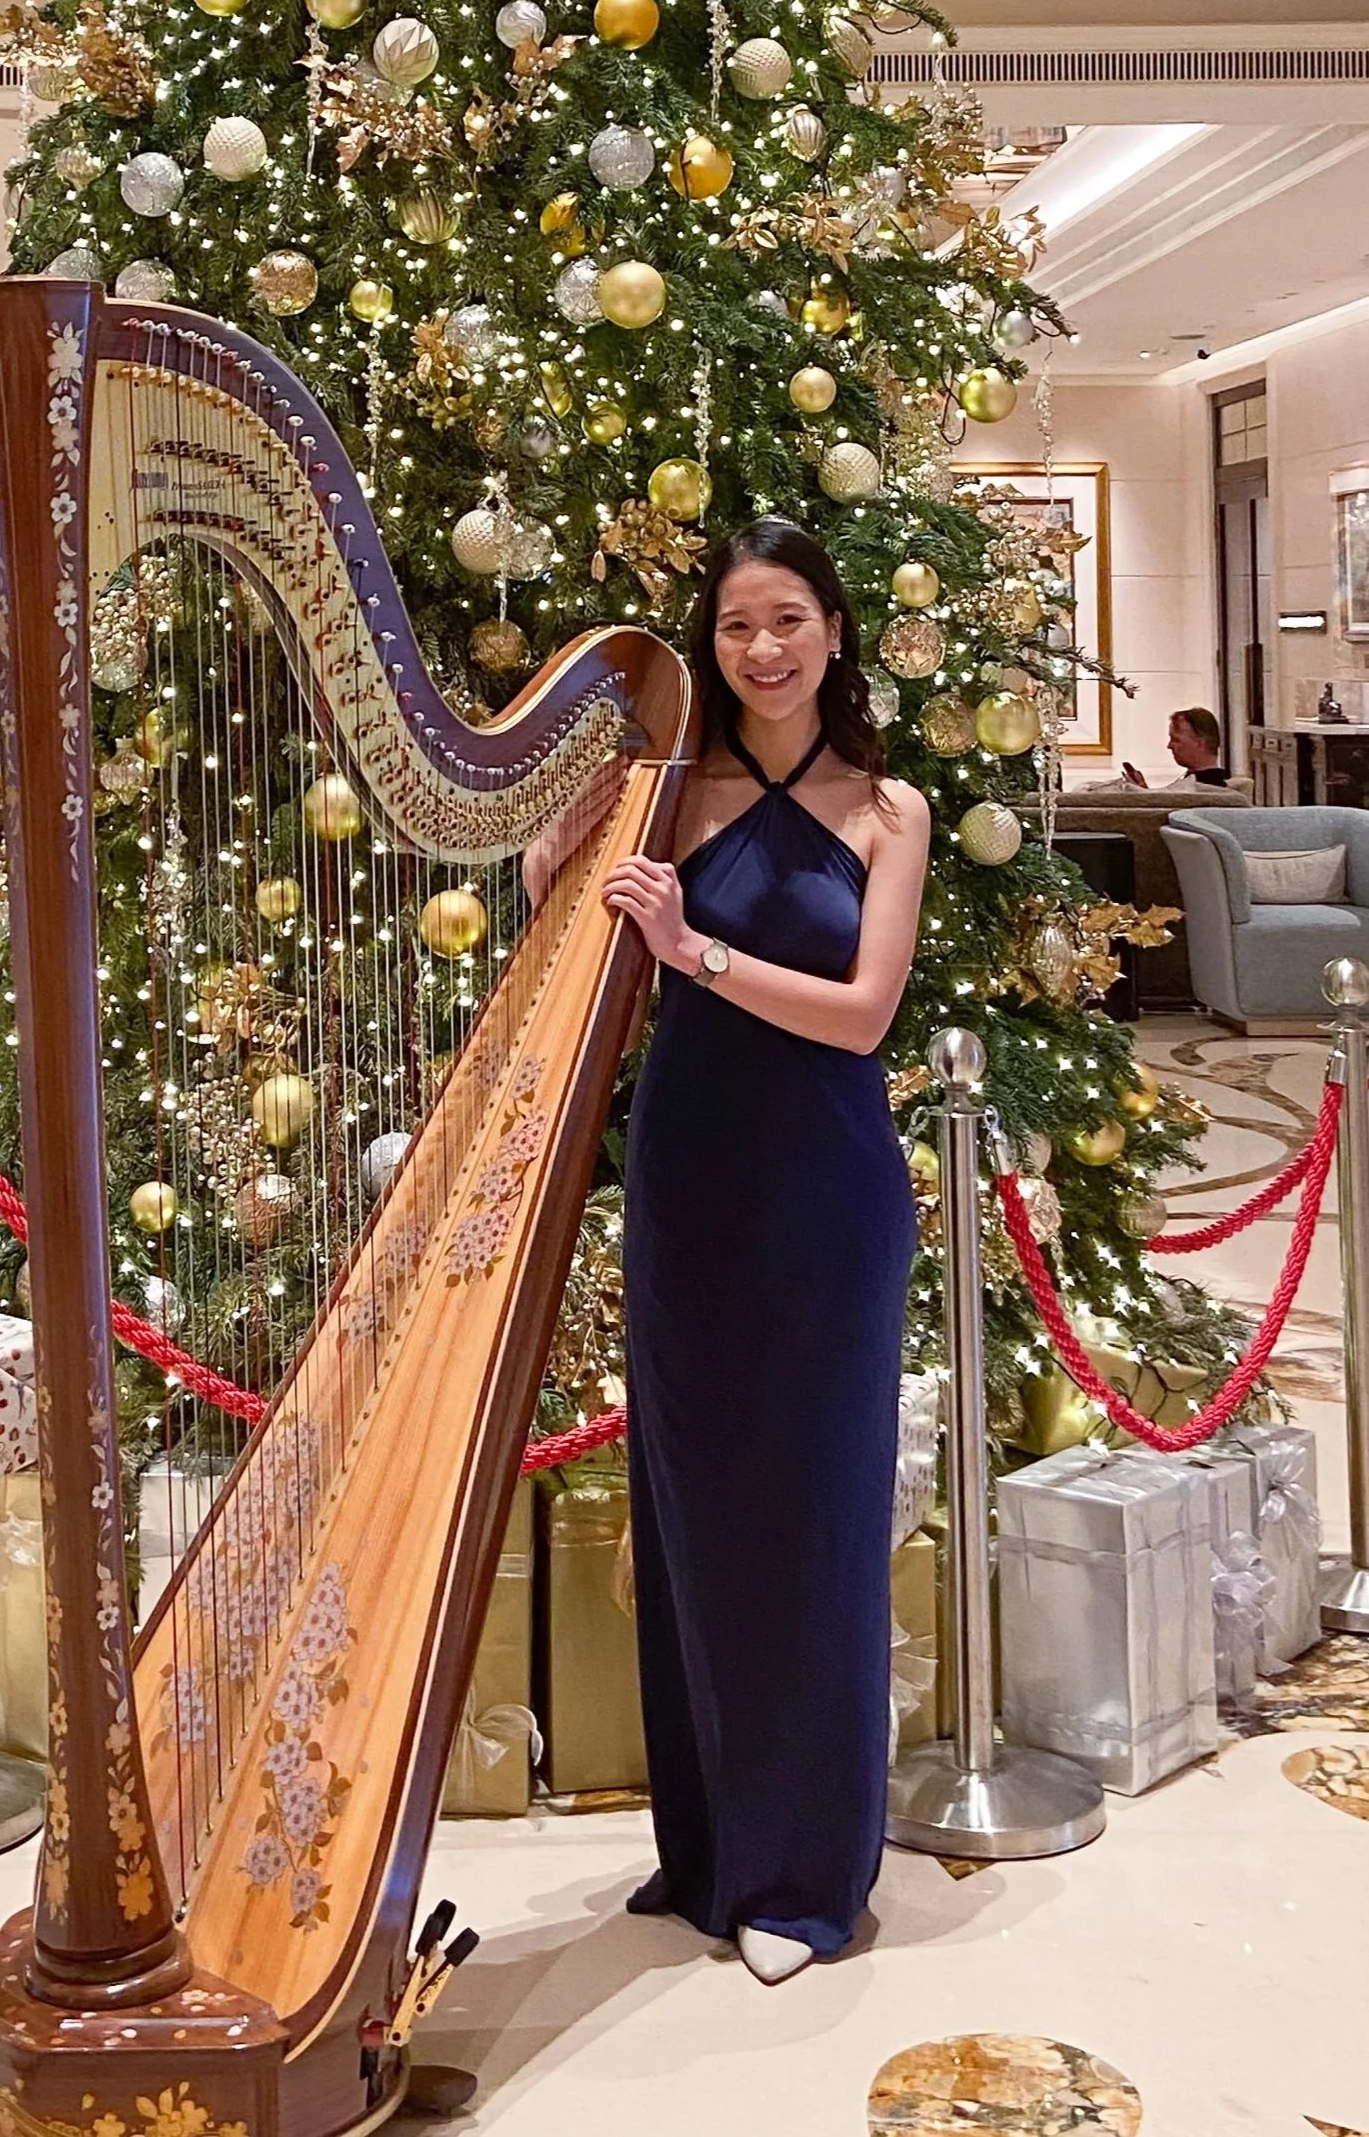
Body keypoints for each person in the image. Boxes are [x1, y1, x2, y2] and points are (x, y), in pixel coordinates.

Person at [531, 517, 930, 1983]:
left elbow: (864, 1014)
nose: (761, 648)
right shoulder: (666, 794)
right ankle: (707, 1849)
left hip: (823, 1195)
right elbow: (553, 909)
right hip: (689, 1184)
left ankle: (802, 1873)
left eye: (786, 619)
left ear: (832, 629)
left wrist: (693, 949)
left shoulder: (889, 808)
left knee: (811, 1520)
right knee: (693, 1513)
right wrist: (566, 825)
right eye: (734, 626)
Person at [1123, 707, 1229, 791]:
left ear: (1200, 744)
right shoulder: (1192, 784)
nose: (1169, 746)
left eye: (1176, 740)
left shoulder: (1210, 789)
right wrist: (1142, 790)